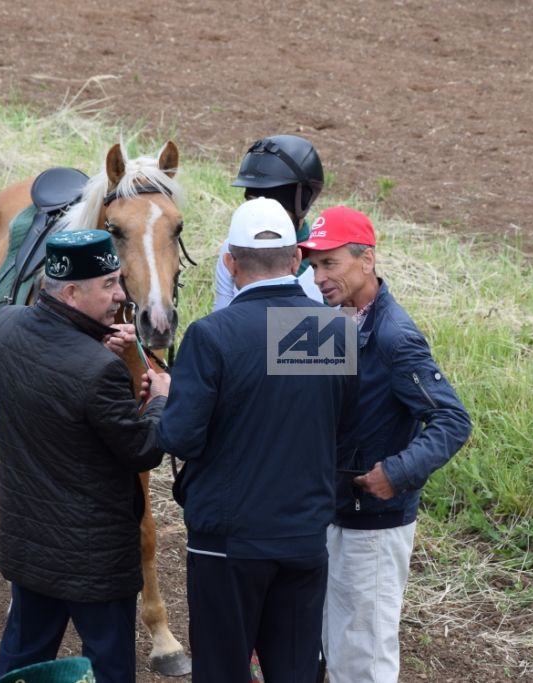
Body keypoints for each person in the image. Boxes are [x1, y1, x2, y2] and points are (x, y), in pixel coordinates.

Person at [158, 198, 359, 683]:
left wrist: (162, 401)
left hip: (229, 544)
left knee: (223, 672)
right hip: (304, 538)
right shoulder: (328, 330)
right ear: (296, 261)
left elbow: (182, 436)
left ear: (230, 261)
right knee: (293, 671)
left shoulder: (212, 335)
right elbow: (337, 429)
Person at [0, 229, 171, 683]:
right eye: (108, 284)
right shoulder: (98, 371)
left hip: (31, 549)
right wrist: (164, 398)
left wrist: (94, 344)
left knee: (21, 663)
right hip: (95, 564)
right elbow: (143, 450)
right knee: (109, 669)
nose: (120, 295)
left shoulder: (5, 327)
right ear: (70, 292)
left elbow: (57, 390)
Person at [298, 207, 473, 683]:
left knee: (364, 661)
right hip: (330, 513)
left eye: (329, 263)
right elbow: (285, 390)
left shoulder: (396, 336)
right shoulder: (331, 319)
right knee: (331, 650)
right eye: (312, 266)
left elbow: (453, 420)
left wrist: (397, 473)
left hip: (371, 528)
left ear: (366, 259)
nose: (318, 276)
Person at [213, 134, 325, 310]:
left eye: (276, 205)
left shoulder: (328, 261)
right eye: (253, 202)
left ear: (302, 201)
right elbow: (221, 317)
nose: (264, 213)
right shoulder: (233, 247)